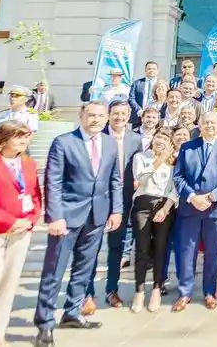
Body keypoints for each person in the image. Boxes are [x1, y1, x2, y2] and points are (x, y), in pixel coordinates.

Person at [34, 101, 122, 347]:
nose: (96, 119)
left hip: (97, 218)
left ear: (106, 119)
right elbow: (52, 182)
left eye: (100, 116)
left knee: (84, 269)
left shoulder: (109, 143)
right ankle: (45, 323)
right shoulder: (63, 143)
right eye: (91, 115)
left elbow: (114, 180)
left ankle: (72, 312)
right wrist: (55, 216)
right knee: (54, 271)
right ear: (81, 116)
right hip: (67, 218)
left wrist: (116, 210)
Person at [171, 111, 217, 313]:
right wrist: (193, 197)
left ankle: (210, 292)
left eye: (213, 122)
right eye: (206, 122)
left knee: (212, 254)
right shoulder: (187, 147)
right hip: (190, 208)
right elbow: (178, 177)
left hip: (215, 210)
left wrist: (210, 197)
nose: (209, 125)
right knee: (187, 253)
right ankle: (185, 293)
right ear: (199, 125)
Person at [85, 100, 142, 314]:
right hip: (98, 199)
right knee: (92, 248)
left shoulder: (136, 139)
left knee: (116, 248)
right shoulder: (99, 137)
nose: (119, 117)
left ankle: (111, 289)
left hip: (124, 201)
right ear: (109, 115)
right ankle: (87, 292)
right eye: (115, 113)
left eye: (123, 114)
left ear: (129, 116)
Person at [0, 122, 41, 347]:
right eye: (18, 136)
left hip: (21, 233)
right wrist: (8, 221)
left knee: (9, 283)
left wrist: (30, 221)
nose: (23, 141)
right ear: (3, 138)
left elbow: (36, 196)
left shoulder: (28, 164)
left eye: (26, 137)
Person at [129, 128, 177, 313]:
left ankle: (157, 288)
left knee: (160, 249)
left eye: (166, 138)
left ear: (170, 143)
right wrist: (159, 159)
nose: (161, 140)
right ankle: (139, 290)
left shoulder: (172, 163)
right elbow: (140, 179)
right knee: (141, 249)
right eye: (158, 136)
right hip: (142, 204)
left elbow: (174, 189)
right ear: (153, 139)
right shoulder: (141, 157)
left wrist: (165, 209)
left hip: (163, 208)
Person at [128, 61, 160, 128]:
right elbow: (131, 98)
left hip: (156, 118)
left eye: (154, 69)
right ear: (145, 70)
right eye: (149, 68)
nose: (151, 70)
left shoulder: (161, 84)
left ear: (157, 71)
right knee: (136, 137)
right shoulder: (137, 83)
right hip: (139, 117)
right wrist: (139, 110)